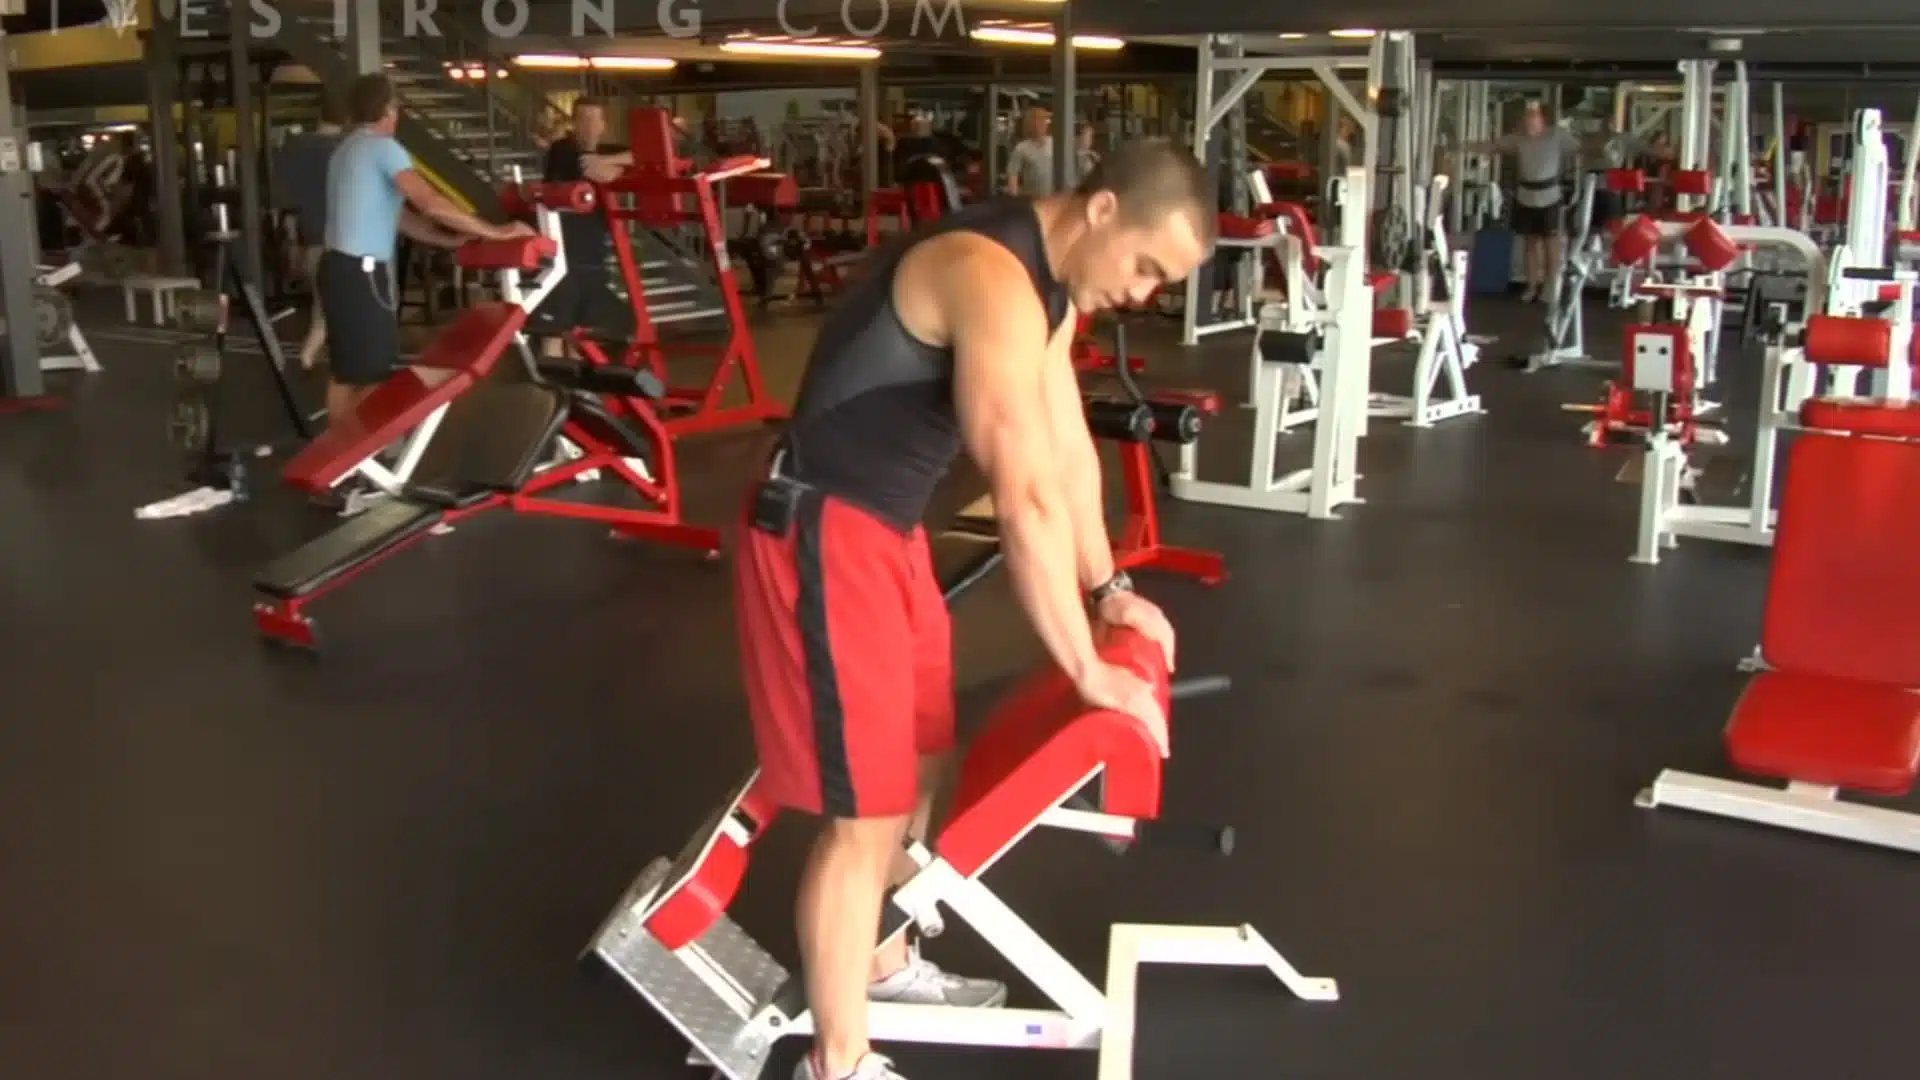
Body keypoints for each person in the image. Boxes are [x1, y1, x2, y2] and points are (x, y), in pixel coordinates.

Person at [733, 137, 1213, 1080]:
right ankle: (838, 1059)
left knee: (923, 750)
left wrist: (1110, 590)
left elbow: (1067, 448)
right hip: (824, 525)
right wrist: (1086, 668)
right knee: (864, 813)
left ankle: (879, 962)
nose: (1147, 293)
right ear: (1103, 209)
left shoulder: (1052, 291)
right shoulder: (985, 272)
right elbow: (1022, 489)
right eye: (1149, 267)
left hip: (890, 528)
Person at [316, 74, 530, 432]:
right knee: (371, 374)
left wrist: (449, 241)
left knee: (345, 373)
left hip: (336, 269)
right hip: (361, 274)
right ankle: (357, 456)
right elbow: (430, 203)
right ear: (389, 108)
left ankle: (337, 458)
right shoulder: (385, 149)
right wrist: (497, 231)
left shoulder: (346, 150)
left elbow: (397, 216)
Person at [532, 97, 630, 358]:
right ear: (573, 123)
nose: (586, 125)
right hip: (562, 253)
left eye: (592, 119)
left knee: (581, 332)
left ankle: (578, 393)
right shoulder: (563, 149)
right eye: (581, 119)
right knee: (554, 331)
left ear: (603, 125)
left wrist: (614, 161)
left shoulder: (605, 151)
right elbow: (599, 172)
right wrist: (618, 166)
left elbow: (642, 154)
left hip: (591, 254)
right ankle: (549, 392)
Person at [1476, 102, 1581, 303]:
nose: (1529, 119)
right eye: (1527, 115)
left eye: (1534, 115)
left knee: (1552, 243)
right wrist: (1463, 146)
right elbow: (1493, 146)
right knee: (1531, 243)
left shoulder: (1557, 136)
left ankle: (1551, 286)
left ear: (1543, 118)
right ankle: (1532, 285)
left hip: (1550, 196)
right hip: (1526, 195)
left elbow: (1580, 148)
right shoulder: (1517, 140)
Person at [276, 98, 347, 370]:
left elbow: (286, 202)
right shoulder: (343, 150)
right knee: (328, 313)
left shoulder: (294, 147)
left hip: (310, 240)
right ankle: (313, 358)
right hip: (339, 242)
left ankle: (314, 358)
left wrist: (293, 240)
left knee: (322, 308)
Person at [1004, 106, 1054, 196]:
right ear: (1030, 124)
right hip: (1033, 202)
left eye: (1044, 121)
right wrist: (1015, 201)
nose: (1041, 124)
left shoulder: (1055, 143)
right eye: (1038, 121)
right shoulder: (1021, 148)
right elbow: (1012, 176)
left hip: (1054, 201)